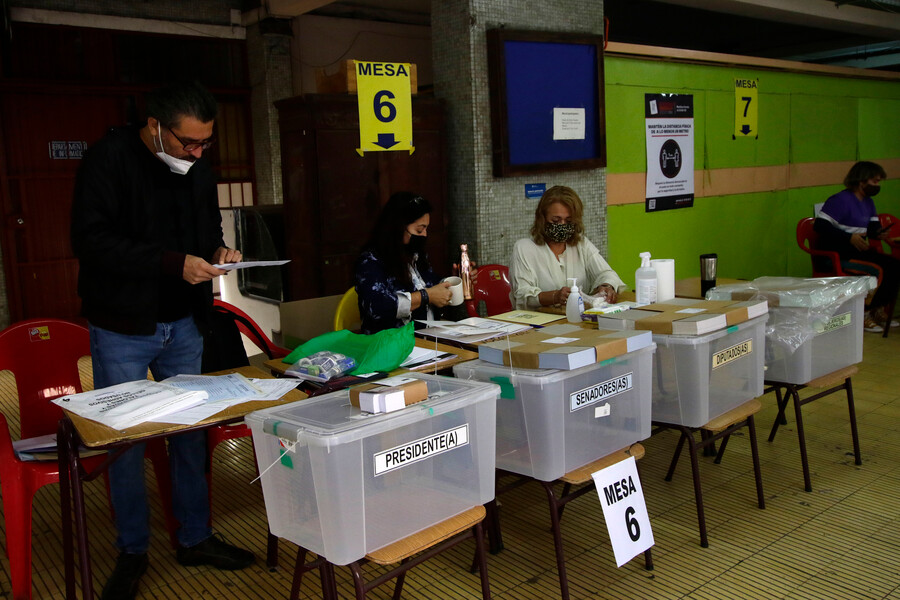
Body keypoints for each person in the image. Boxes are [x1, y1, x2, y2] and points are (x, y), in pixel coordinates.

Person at [71, 81, 254, 600]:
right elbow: (90, 240)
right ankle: (132, 550)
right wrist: (174, 263)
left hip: (184, 323)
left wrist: (218, 251)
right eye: (187, 143)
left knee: (189, 432)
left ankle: (195, 537)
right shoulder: (109, 159)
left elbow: (207, 226)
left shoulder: (196, 167)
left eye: (205, 145)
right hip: (123, 325)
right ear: (155, 126)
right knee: (125, 438)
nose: (196, 154)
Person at [814, 161, 899, 333]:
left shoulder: (868, 202)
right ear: (862, 181)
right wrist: (848, 237)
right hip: (838, 255)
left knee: (895, 265)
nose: (878, 185)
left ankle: (877, 309)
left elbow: (872, 228)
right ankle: (864, 313)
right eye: (875, 181)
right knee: (878, 271)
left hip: (858, 252)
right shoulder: (840, 200)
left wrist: (878, 233)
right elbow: (820, 226)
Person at [510, 185, 626, 310]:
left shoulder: (581, 244)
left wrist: (606, 286)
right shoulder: (524, 248)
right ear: (542, 219)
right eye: (556, 220)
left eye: (568, 221)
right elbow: (522, 294)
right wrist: (554, 296)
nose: (562, 225)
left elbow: (607, 273)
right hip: (540, 321)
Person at [355, 191, 454, 334]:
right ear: (399, 227)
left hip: (430, 339)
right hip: (390, 346)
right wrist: (426, 296)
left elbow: (431, 284)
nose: (425, 235)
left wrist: (451, 282)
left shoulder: (415, 255)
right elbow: (377, 307)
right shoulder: (370, 261)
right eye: (420, 230)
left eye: (426, 229)